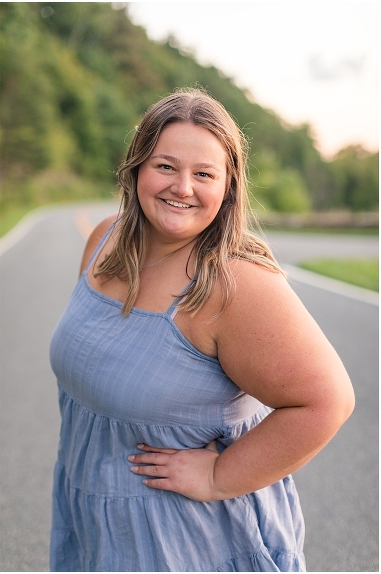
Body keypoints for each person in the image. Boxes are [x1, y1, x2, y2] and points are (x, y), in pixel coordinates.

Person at [48, 88, 354, 571]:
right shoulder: (103, 238)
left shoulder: (235, 282)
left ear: (228, 186)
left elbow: (328, 401)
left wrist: (219, 476)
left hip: (187, 541)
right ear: (137, 168)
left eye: (204, 174)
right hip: (95, 519)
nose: (182, 187)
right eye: (165, 166)